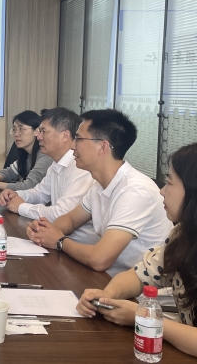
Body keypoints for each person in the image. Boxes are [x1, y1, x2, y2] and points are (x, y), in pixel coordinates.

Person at [76, 143, 197, 357]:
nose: (162, 191)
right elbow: (141, 274)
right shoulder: (182, 234)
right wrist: (107, 296)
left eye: (169, 183)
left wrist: (144, 317)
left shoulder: (136, 189)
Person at [26, 109, 172, 276]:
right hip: (109, 277)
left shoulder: (135, 190)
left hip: (136, 287)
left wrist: (59, 241)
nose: (72, 146)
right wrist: (44, 232)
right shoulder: (100, 184)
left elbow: (100, 259)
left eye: (79, 139)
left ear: (102, 146)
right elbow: (71, 220)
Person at [0, 107, 98, 244]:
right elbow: (40, 193)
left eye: (43, 131)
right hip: (57, 239)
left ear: (65, 136)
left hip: (77, 245)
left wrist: (21, 207)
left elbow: (61, 213)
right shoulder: (56, 163)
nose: (38, 136)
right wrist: (16, 195)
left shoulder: (80, 167)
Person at [0, 110, 53, 191]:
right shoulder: (27, 154)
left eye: (21, 129)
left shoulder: (45, 155)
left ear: (36, 131)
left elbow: (29, 186)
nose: (16, 134)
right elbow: (11, 172)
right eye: (14, 129)